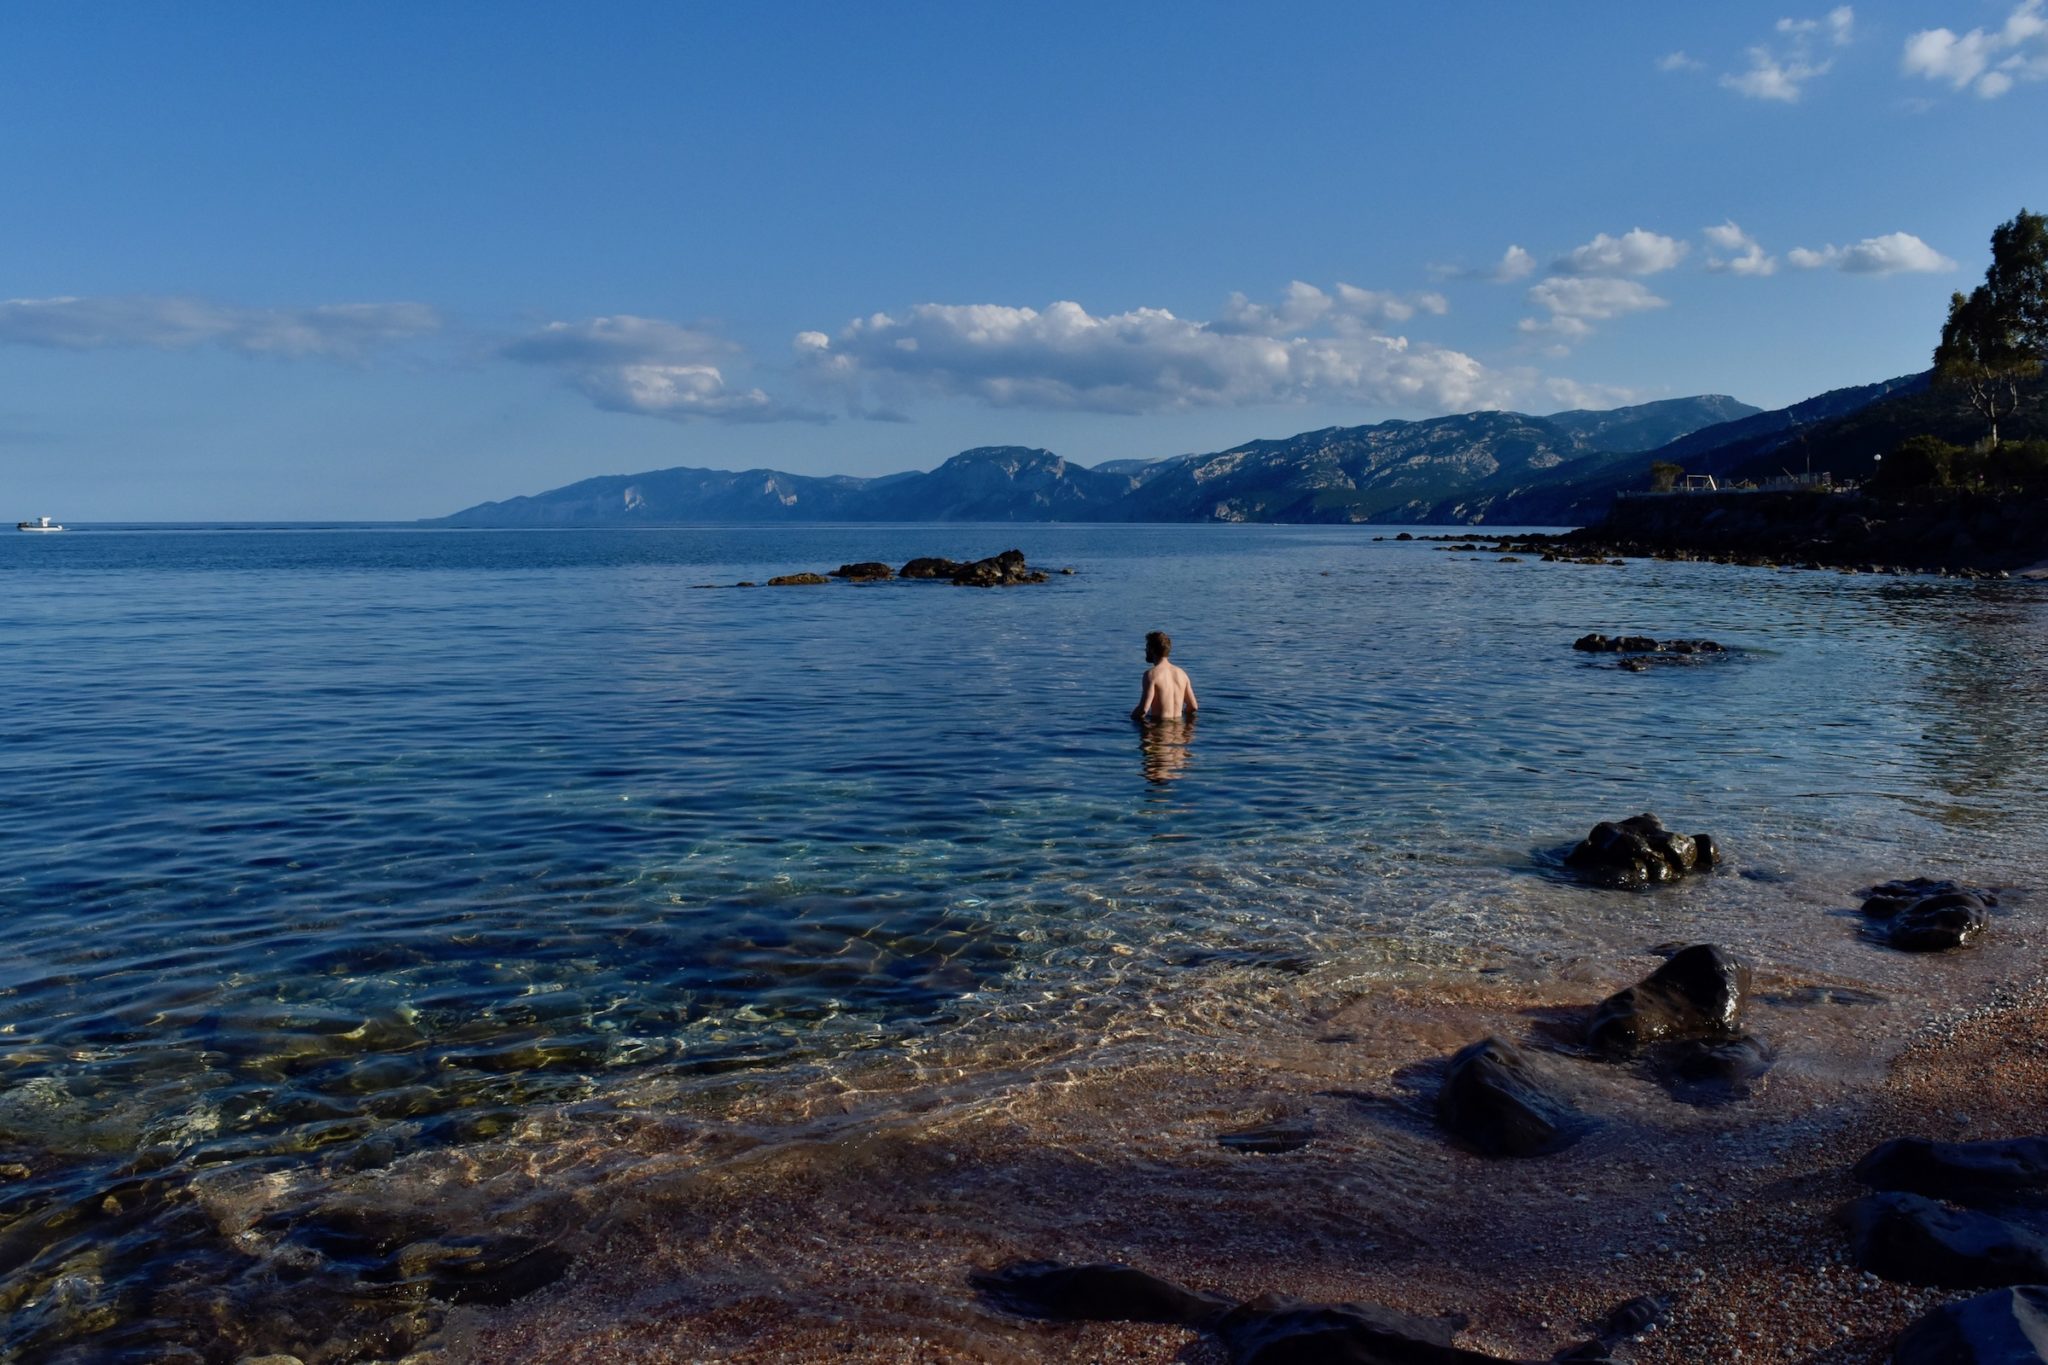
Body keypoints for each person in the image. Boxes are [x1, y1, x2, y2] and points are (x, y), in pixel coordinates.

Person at [1131, 630, 1197, 722]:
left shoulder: (1151, 675)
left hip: (1159, 731)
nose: (1145, 650)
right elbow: (1193, 706)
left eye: (1147, 647)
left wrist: (1130, 718)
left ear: (1152, 650)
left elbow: (1143, 710)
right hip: (1179, 731)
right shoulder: (1182, 674)